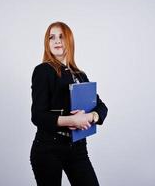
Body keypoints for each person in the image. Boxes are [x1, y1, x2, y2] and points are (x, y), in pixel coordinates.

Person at [30, 21, 108, 186]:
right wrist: (71, 121)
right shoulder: (43, 71)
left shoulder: (80, 75)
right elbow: (37, 115)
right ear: (47, 43)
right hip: (48, 148)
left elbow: (101, 107)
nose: (57, 41)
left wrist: (91, 116)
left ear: (70, 41)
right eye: (52, 37)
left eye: (61, 36)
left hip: (77, 148)